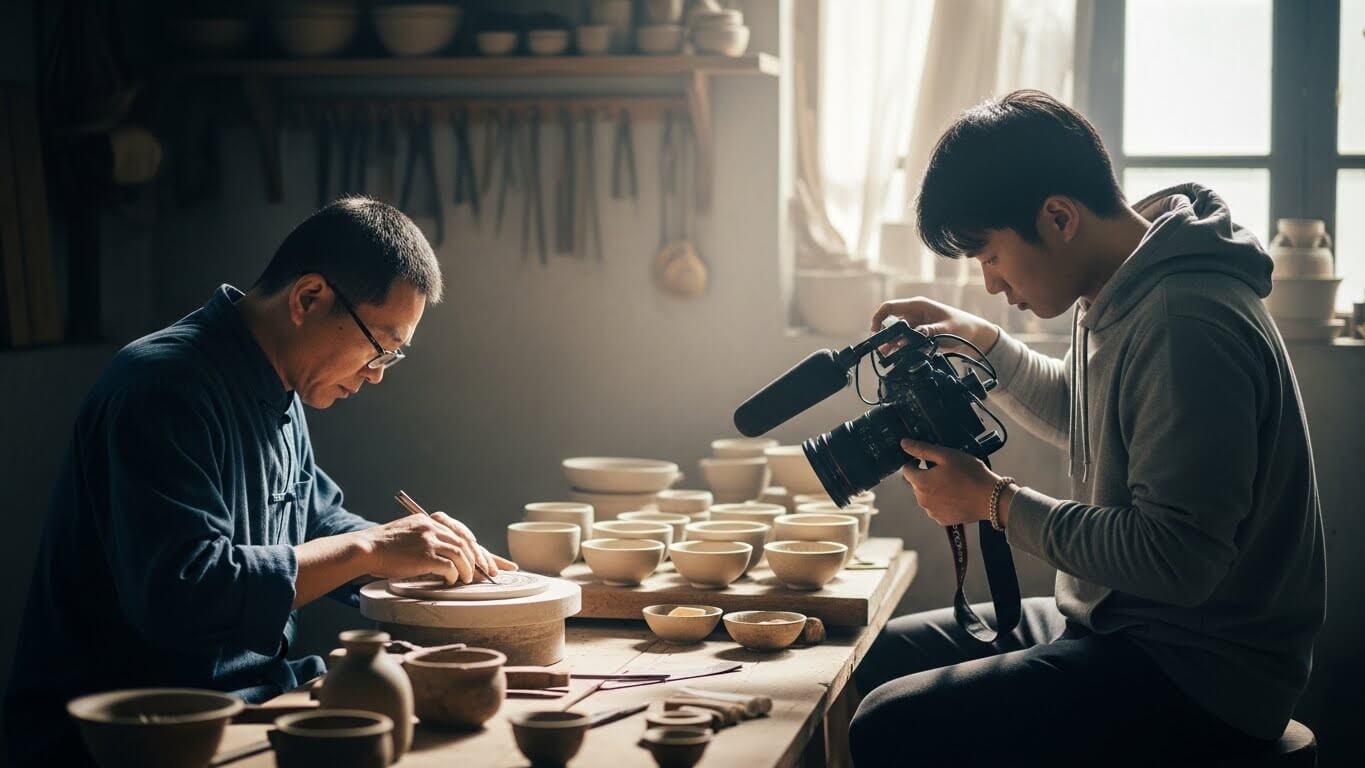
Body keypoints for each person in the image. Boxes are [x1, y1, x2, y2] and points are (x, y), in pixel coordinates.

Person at [849, 91, 1325, 766]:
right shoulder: (1120, 284)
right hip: (1123, 624)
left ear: (1058, 217)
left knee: (887, 725)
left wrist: (992, 502)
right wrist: (981, 341)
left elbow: (1175, 559)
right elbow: (1086, 413)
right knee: (877, 657)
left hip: (1202, 670)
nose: (989, 284)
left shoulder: (1181, 322)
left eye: (989, 256)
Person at [4, 197, 517, 766]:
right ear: (308, 298)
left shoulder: (280, 383)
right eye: (380, 348)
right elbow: (182, 592)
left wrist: (416, 553)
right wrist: (370, 549)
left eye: (393, 356)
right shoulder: (161, 388)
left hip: (250, 699)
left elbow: (318, 518)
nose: (375, 375)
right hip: (137, 732)